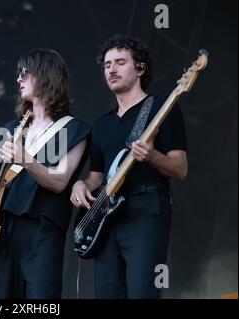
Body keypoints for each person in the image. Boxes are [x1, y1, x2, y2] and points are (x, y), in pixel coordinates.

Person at [71, 35, 188, 298]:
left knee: (142, 292)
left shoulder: (161, 108)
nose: (111, 69)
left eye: (120, 62)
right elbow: (96, 177)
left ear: (140, 68)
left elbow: (180, 169)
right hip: (107, 217)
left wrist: (152, 156)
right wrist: (81, 184)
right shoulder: (101, 124)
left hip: (146, 211)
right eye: (107, 64)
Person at [0, 48, 91, 298]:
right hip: (1, 231)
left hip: (42, 232)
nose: (18, 79)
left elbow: (60, 182)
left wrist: (26, 160)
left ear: (44, 75)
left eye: (23, 73)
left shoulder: (74, 129)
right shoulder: (12, 128)